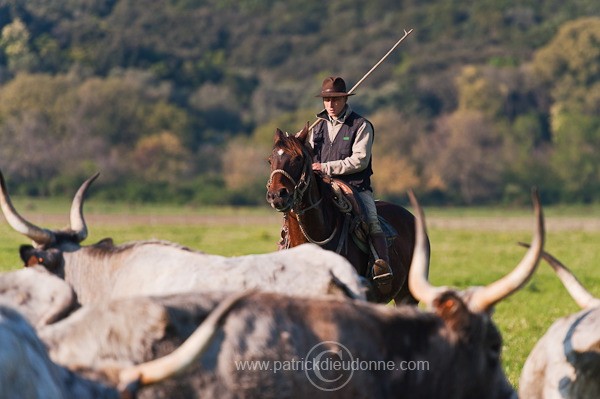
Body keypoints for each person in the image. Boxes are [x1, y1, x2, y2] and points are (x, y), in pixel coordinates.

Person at [307, 76, 392, 284]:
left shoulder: (361, 125)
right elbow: (308, 157)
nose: (331, 105)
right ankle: (285, 248)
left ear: (345, 99)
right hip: (322, 187)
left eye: (336, 100)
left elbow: (360, 160)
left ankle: (382, 266)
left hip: (354, 187)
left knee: (371, 220)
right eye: (327, 100)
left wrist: (326, 167)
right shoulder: (316, 128)